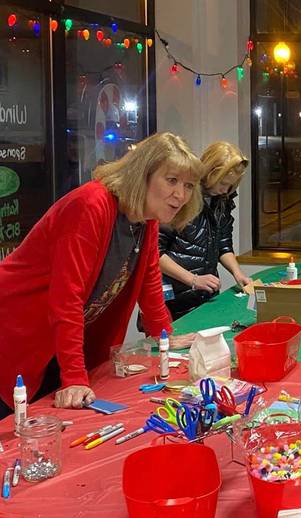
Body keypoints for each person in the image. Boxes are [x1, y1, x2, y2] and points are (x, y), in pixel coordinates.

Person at [0, 132, 202, 413]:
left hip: (55, 340)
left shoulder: (147, 220)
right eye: (172, 180)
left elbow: (149, 281)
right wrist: (73, 378)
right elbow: (66, 298)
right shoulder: (91, 204)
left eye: (189, 186)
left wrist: (164, 335)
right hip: (14, 332)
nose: (181, 195)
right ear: (142, 174)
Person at [158, 141, 251, 321]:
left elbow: (224, 244)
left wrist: (237, 273)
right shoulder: (183, 197)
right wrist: (193, 280)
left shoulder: (221, 200)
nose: (225, 190)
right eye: (223, 183)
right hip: (172, 300)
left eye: (231, 186)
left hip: (203, 297)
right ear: (210, 172)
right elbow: (154, 254)